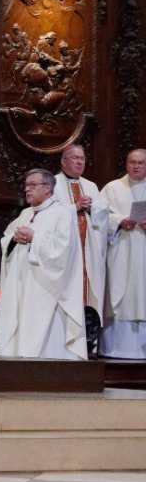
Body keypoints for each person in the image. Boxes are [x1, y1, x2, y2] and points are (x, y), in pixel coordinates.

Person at [0, 168, 85, 360]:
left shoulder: (62, 214)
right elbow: (7, 239)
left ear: (48, 188)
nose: (27, 189)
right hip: (22, 281)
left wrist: (34, 238)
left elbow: (63, 250)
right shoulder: (26, 213)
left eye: (33, 185)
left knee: (44, 331)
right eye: (26, 185)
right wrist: (14, 239)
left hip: (46, 286)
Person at [52, 145, 110, 316]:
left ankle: (88, 333)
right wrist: (75, 207)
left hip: (89, 251)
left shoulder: (90, 186)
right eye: (75, 158)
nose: (79, 162)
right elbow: (50, 214)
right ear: (63, 162)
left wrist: (92, 208)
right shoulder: (53, 184)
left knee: (89, 291)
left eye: (82, 158)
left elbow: (104, 212)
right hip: (66, 251)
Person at [101, 149, 146, 359]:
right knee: (122, 294)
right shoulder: (112, 188)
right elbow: (100, 215)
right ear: (126, 164)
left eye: (141, 163)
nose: (136, 166)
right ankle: (115, 349)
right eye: (132, 162)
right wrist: (119, 220)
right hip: (121, 249)